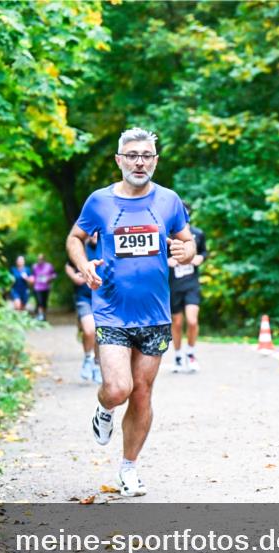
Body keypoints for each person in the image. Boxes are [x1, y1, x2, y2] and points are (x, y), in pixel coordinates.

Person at [67, 127, 197, 497]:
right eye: (133, 155)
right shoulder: (99, 201)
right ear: (119, 160)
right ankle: (105, 408)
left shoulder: (169, 200)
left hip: (155, 313)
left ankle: (129, 468)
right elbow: (75, 238)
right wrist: (84, 265)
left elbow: (187, 242)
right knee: (118, 388)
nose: (140, 162)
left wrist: (184, 252)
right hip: (111, 310)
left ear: (155, 161)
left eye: (146, 156)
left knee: (141, 392)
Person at [168, 205, 207, 373]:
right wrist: (167, 262)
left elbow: (204, 252)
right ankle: (178, 356)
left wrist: (200, 258)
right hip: (174, 285)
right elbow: (158, 256)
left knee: (192, 321)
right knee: (177, 323)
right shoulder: (168, 235)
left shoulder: (198, 234)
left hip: (191, 284)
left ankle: (190, 354)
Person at [66, 232, 102, 383]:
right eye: (92, 232)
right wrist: (74, 277)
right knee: (89, 330)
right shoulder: (81, 248)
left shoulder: (106, 247)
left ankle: (97, 366)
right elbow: (68, 266)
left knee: (100, 333)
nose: (94, 234)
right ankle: (88, 358)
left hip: (103, 298)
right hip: (84, 297)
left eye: (97, 232)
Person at [32, 254, 57, 321]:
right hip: (37, 287)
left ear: (44, 259)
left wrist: (50, 278)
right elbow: (33, 276)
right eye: (39, 259)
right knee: (39, 302)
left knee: (44, 303)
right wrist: (32, 279)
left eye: (41, 259)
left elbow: (54, 275)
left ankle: (43, 316)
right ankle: (40, 316)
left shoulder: (49, 266)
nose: (40, 260)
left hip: (46, 287)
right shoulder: (35, 266)